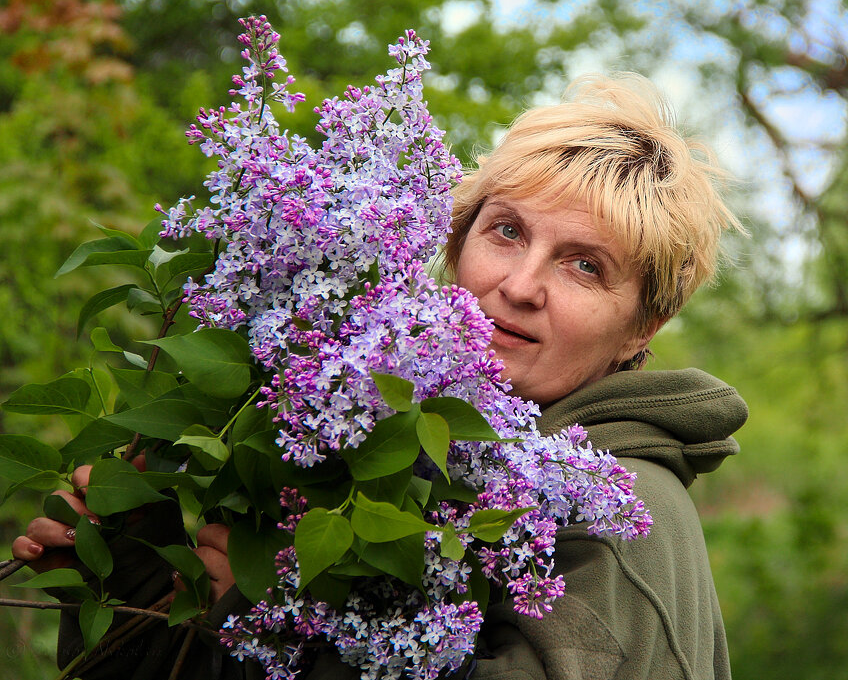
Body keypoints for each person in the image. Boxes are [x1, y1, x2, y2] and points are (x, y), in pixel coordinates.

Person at [12, 72, 747, 679]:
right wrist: (130, 567)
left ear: (641, 326)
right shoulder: (403, 445)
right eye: (508, 231)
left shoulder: (620, 511)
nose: (522, 284)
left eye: (586, 265)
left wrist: (265, 625)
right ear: (456, 243)